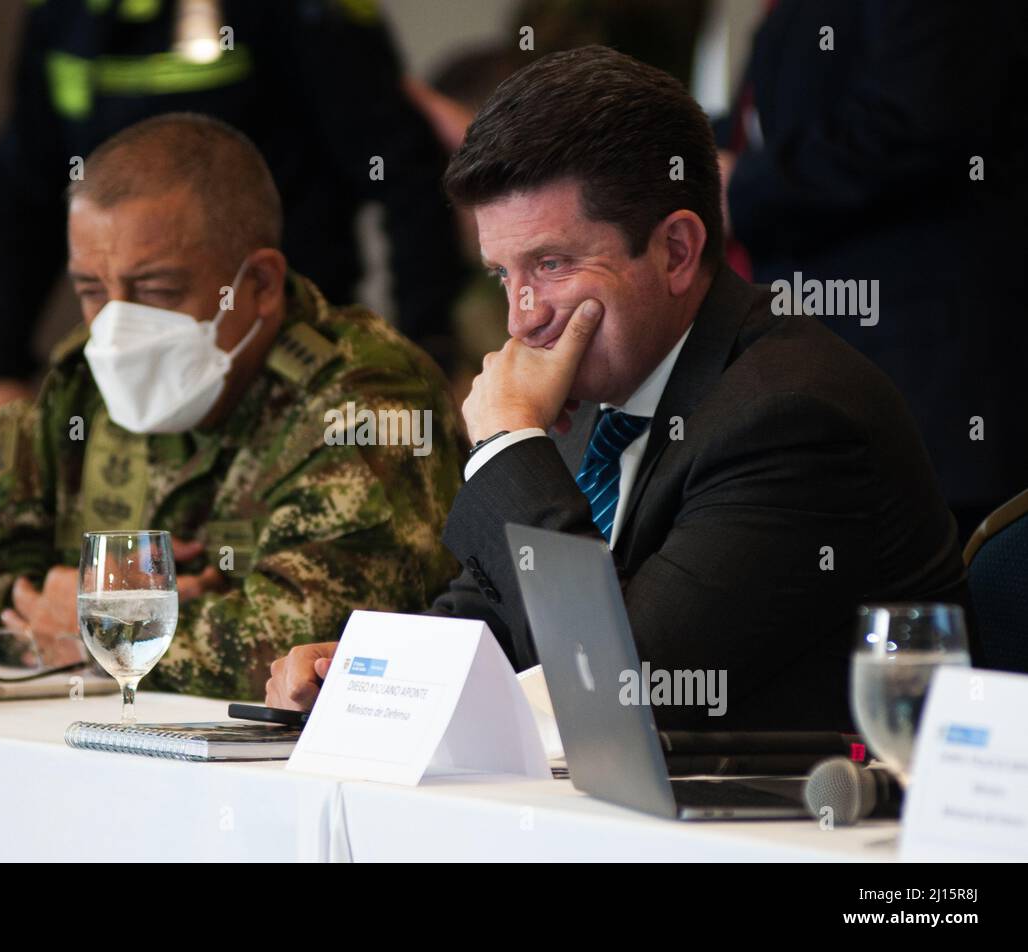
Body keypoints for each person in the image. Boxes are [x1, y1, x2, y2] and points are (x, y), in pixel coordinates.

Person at [265, 46, 970, 730]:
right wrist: (364, 677)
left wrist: (509, 447)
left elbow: (626, 690)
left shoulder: (791, 415)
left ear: (676, 251)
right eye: (503, 275)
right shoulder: (587, 390)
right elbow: (493, 623)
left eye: (552, 264)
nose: (521, 319)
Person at [0, 114, 465, 699]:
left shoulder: (366, 398)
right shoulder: (81, 384)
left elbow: (311, 651)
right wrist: (104, 605)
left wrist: (96, 621)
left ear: (260, 284)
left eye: (157, 290)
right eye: (92, 291)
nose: (118, 326)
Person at [0, 0, 464, 465]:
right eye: (89, 289)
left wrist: (432, 352)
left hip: (284, 361)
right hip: (137, 387)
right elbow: (21, 200)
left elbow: (404, 176)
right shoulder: (61, 13)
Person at [719, 0, 1028, 540]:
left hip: (933, 393)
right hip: (832, 388)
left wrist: (738, 187)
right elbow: (766, 118)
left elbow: (914, 125)